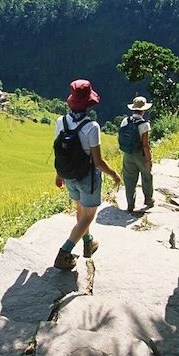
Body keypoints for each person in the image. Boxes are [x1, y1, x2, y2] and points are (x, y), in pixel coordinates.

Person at [53, 79, 122, 270]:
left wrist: (59, 174)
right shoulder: (92, 127)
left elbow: (60, 151)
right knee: (89, 215)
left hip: (69, 175)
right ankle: (64, 252)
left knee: (80, 210)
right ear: (89, 103)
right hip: (88, 177)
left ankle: (88, 242)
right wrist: (114, 174)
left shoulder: (61, 121)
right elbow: (98, 161)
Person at [118, 96, 154, 212]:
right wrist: (149, 160)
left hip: (127, 153)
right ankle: (148, 199)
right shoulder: (144, 125)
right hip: (140, 154)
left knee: (129, 179)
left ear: (133, 109)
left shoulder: (125, 121)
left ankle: (130, 204)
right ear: (143, 110)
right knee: (147, 176)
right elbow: (145, 145)